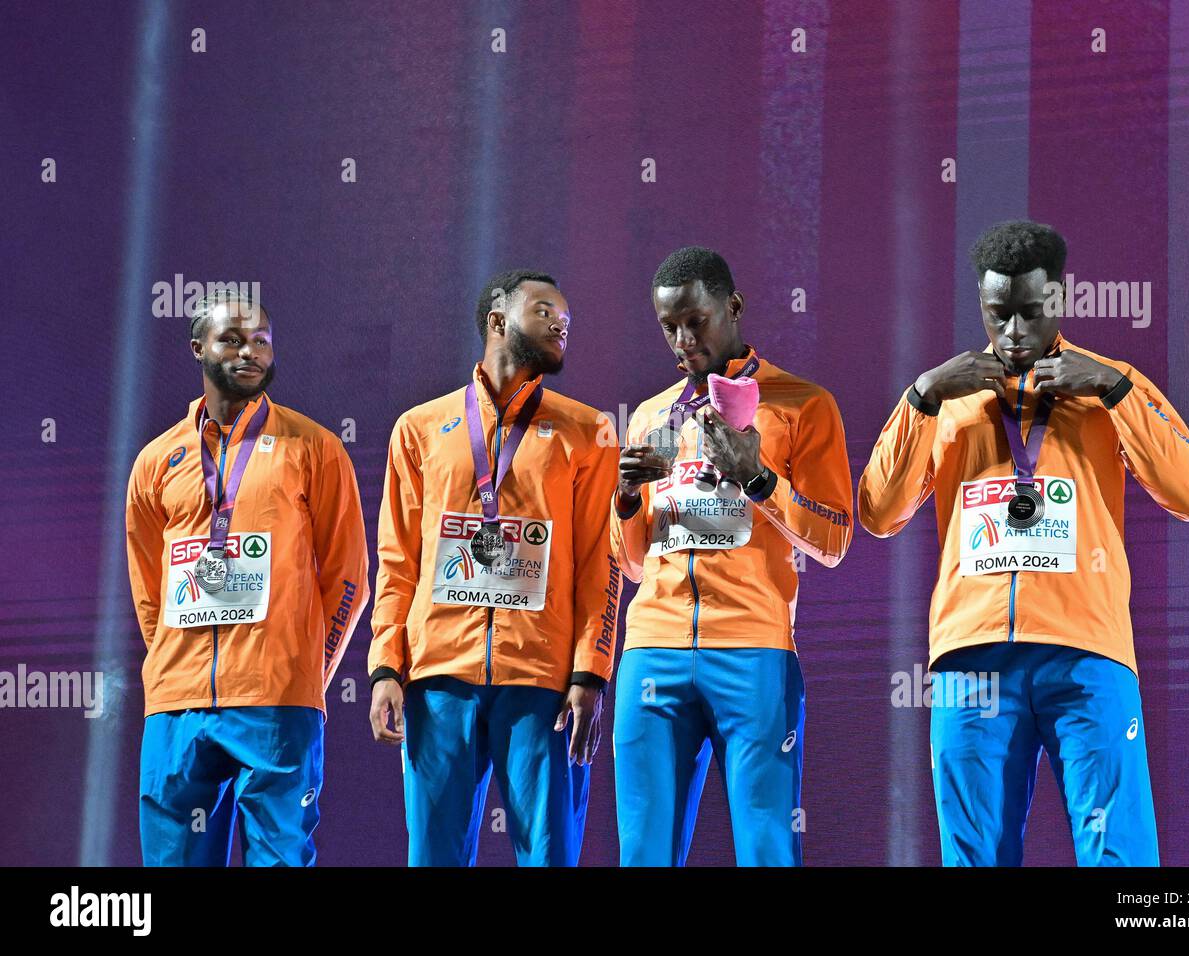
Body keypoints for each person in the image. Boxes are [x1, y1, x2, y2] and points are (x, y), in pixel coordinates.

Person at [859, 220, 1189, 866]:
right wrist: (924, 396)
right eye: (1000, 315)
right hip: (971, 663)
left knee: (1120, 857)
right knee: (974, 859)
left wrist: (1114, 389)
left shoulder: (1111, 387)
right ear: (981, 308)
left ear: (1060, 299)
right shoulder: (949, 403)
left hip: (1086, 656)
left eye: (1030, 312)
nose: (1015, 332)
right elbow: (878, 512)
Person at [368, 269, 621, 866]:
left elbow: (599, 563)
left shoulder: (588, 431)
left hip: (543, 682)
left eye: (567, 318)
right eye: (545, 311)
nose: (562, 323)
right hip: (438, 679)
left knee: (549, 855)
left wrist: (589, 674)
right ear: (498, 321)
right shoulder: (420, 428)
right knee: (433, 856)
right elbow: (398, 558)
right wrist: (385, 665)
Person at [611, 246, 853, 866]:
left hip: (753, 650)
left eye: (697, 321)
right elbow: (635, 562)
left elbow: (834, 538)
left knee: (767, 849)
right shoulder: (652, 416)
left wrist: (759, 478)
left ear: (734, 307)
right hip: (652, 650)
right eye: (669, 327)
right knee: (643, 853)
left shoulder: (802, 404)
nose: (683, 340)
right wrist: (627, 500)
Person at [126, 292, 369, 866]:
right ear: (197, 348)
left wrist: (309, 671)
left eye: (261, 340)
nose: (249, 352)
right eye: (232, 339)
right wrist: (171, 661)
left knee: (281, 858)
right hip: (178, 704)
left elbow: (349, 576)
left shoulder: (315, 448)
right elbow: (146, 587)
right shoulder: (157, 461)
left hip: (277, 699)